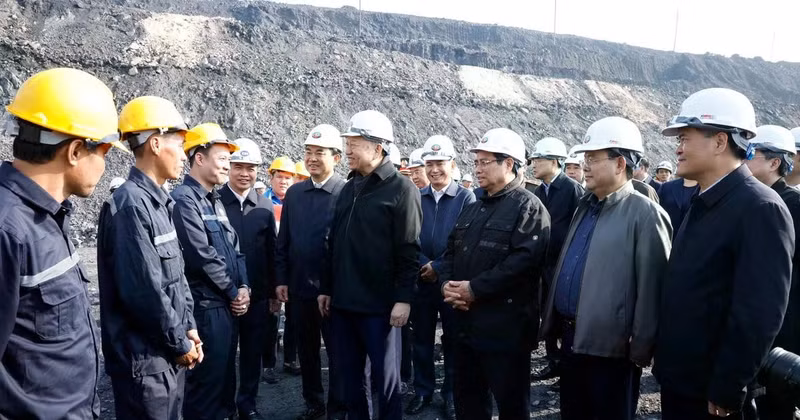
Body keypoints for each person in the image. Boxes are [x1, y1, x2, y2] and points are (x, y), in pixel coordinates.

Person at [654, 88, 793, 420]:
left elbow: (758, 314)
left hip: (710, 394)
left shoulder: (761, 208)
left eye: (685, 138)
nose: (678, 148)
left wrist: (728, 385)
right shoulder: (704, 200)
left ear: (719, 142)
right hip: (681, 380)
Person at [0, 67, 122, 419]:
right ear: (74, 151)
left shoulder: (47, 216)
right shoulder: (9, 228)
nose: (104, 164)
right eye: (103, 151)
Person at [540, 117, 673, 420]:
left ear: (620, 163)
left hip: (613, 350)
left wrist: (639, 348)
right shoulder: (586, 206)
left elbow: (653, 288)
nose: (584, 165)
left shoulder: (646, 214)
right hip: (573, 338)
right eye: (584, 158)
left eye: (592, 158)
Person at [97, 96, 201, 420]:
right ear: (156, 144)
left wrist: (189, 328)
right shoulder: (129, 205)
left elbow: (176, 276)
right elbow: (144, 291)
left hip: (165, 355)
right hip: (145, 364)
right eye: (179, 144)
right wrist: (179, 342)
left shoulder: (158, 202)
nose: (185, 155)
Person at [440, 128, 550, 420]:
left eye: (485, 162)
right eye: (476, 162)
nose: (477, 168)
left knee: (511, 406)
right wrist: (447, 287)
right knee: (469, 403)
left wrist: (474, 289)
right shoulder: (473, 207)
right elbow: (450, 253)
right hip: (466, 326)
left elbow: (522, 264)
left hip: (506, 332)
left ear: (509, 164)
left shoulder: (529, 208)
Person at [319, 110, 422, 420]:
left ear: (378, 148)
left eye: (355, 143)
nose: (347, 150)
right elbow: (333, 244)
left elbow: (409, 251)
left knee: (386, 383)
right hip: (344, 304)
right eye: (347, 143)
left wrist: (403, 299)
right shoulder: (348, 188)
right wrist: (326, 288)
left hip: (381, 307)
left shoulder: (402, 190)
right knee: (351, 381)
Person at [171, 123, 251, 420]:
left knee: (225, 383)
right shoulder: (184, 200)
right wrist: (233, 292)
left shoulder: (213, 200)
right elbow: (200, 255)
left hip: (227, 307)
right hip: (206, 308)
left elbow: (235, 249)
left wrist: (244, 287)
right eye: (223, 159)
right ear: (199, 158)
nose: (228, 166)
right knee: (206, 387)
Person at [276, 124, 348, 420]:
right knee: (307, 353)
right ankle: (313, 403)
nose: (313, 158)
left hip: (334, 293)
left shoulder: (346, 192)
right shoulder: (295, 193)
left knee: (338, 354)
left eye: (320, 152)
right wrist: (281, 280)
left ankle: (338, 407)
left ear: (337, 157)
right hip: (299, 290)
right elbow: (284, 242)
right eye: (308, 151)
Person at [407, 135, 476, 419]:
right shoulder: (416, 196)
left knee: (453, 339)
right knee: (421, 338)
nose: (434, 169)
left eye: (440, 163)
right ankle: (423, 391)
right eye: (429, 164)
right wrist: (425, 264)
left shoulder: (465, 197)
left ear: (452, 164)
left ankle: (450, 393)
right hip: (421, 281)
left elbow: (464, 242)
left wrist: (439, 266)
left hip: (451, 283)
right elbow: (409, 237)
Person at [743, 125, 800, 419]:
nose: (743, 159)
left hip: (783, 325)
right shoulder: (753, 200)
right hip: (760, 322)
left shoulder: (791, 204)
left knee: (775, 402)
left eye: (752, 153)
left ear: (774, 162)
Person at [219, 137, 278, 420]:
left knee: (252, 353)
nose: (245, 173)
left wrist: (271, 296)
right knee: (224, 356)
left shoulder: (265, 208)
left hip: (256, 297)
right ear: (228, 168)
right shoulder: (213, 204)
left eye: (250, 168)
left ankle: (247, 404)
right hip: (222, 296)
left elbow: (272, 255)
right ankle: (226, 406)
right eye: (238, 167)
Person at [529, 137, 585, 386]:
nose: (534, 165)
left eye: (538, 160)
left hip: (564, 264)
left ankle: (567, 368)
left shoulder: (571, 189)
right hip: (544, 264)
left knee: (564, 316)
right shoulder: (540, 191)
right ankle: (553, 361)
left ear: (554, 161)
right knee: (547, 313)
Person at [263, 156, 300, 375]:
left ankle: (290, 360)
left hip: (293, 269)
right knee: (271, 317)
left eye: (288, 178)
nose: (283, 181)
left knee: (294, 318)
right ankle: (268, 364)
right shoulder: (263, 202)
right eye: (279, 177)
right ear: (272, 178)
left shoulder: (297, 203)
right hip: (272, 268)